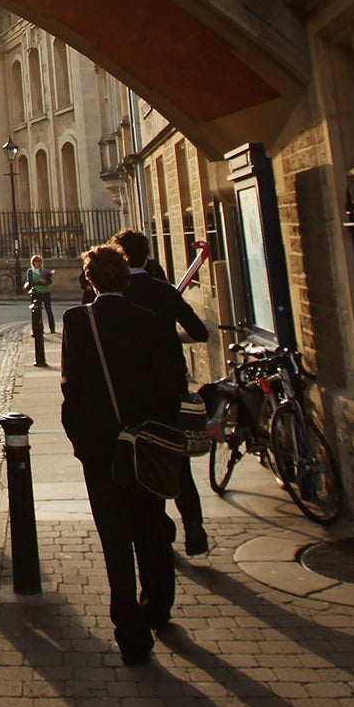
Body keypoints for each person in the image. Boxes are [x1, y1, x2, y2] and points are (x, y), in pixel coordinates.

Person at [60, 244, 187, 665]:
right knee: (151, 524)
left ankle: (129, 628)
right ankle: (158, 606)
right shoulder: (150, 322)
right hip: (147, 443)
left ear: (89, 280)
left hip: (101, 447)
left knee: (114, 537)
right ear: (126, 278)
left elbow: (71, 388)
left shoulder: (78, 321)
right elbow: (173, 384)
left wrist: (79, 440)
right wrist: (159, 431)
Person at [112, 228, 209, 555]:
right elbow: (199, 332)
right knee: (177, 458)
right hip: (169, 386)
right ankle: (193, 524)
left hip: (132, 392)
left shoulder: (118, 295)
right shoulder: (165, 292)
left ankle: (160, 529)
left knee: (142, 460)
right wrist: (172, 339)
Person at [25, 253, 54, 335]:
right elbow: (31, 282)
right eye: (35, 261)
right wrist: (39, 282)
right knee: (37, 312)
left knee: (49, 310)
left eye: (39, 261)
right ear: (33, 262)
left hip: (45, 292)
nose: (37, 262)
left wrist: (45, 282)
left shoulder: (44, 271)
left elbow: (50, 281)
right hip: (36, 293)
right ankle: (39, 329)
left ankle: (52, 328)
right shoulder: (30, 271)